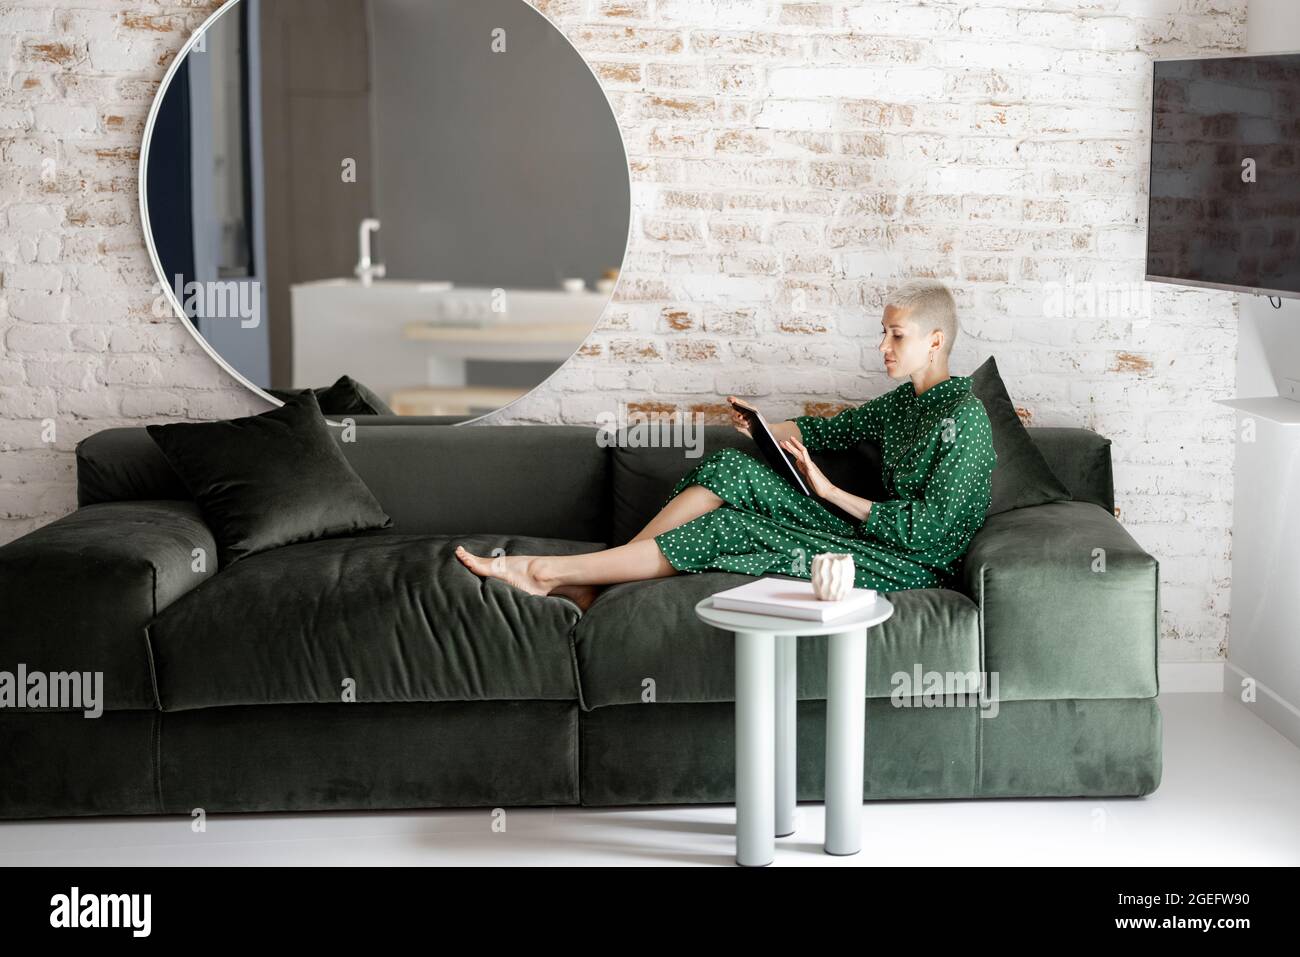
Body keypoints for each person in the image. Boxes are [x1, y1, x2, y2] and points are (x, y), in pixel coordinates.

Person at [455, 279, 997, 611]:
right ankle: (602, 583)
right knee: (731, 468)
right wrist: (763, 427)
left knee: (728, 526)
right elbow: (829, 431)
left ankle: (550, 573)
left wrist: (829, 491)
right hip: (869, 533)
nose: (882, 346)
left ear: (935, 341)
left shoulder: (964, 417)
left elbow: (927, 534)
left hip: (911, 562)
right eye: (882, 332)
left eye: (895, 336)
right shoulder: (903, 403)